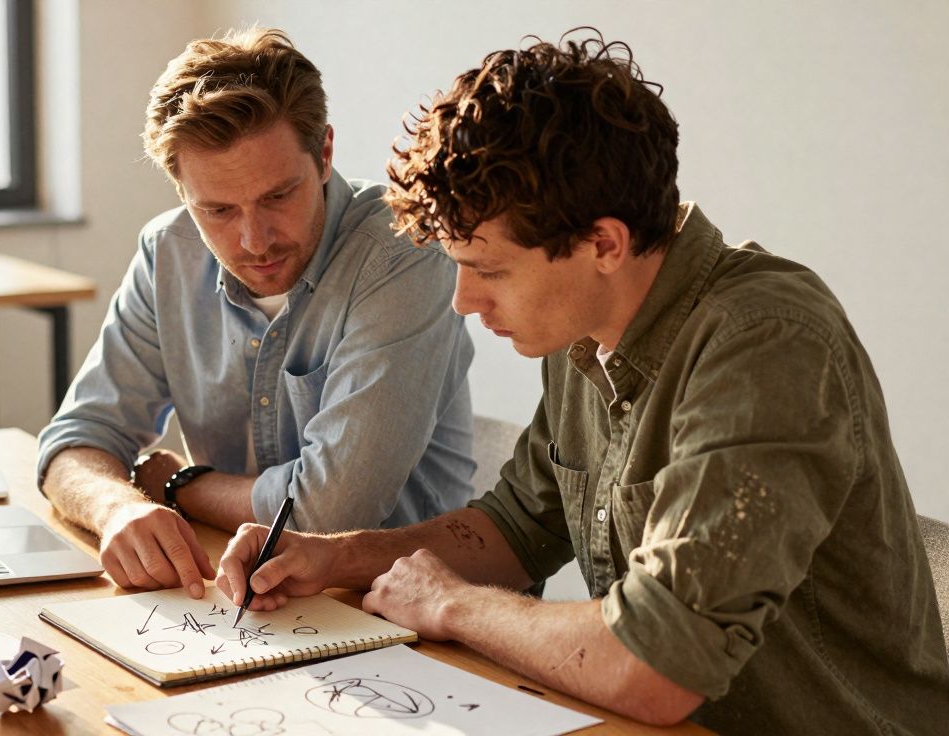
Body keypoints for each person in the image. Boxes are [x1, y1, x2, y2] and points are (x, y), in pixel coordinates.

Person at [216, 31, 949, 733]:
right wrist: (330, 555)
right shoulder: (587, 330)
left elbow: (656, 664)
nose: (464, 302)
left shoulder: (768, 344)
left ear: (603, 243)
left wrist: (451, 605)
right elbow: (516, 528)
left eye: (489, 269)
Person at [37, 28, 475, 601]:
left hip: (401, 613)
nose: (253, 240)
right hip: (245, 595)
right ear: (181, 190)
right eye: (217, 209)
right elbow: (74, 440)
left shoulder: (404, 254)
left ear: (324, 154)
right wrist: (118, 507)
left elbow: (326, 511)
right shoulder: (168, 251)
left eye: (278, 196)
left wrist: (178, 485)